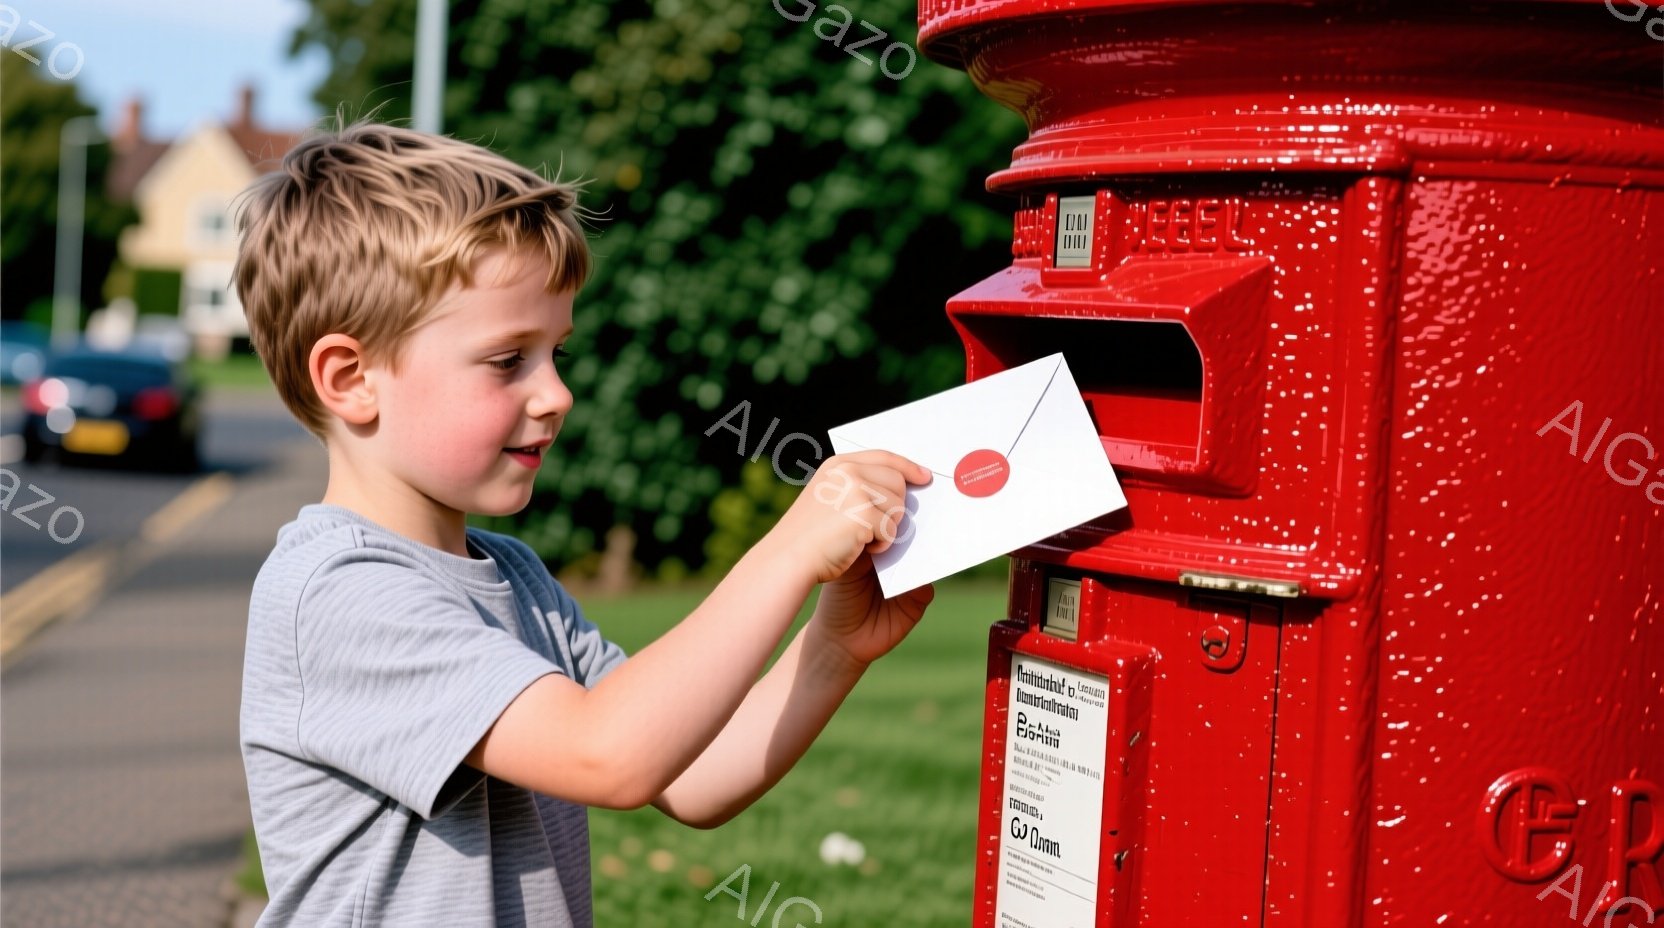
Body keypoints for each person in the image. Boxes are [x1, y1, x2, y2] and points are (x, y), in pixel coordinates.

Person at [233, 119, 935, 928]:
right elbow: (609, 755)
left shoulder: (517, 579)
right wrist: (787, 551)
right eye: (509, 360)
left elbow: (691, 773)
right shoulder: (337, 594)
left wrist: (833, 646)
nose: (557, 394)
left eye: (556, 354)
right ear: (351, 378)